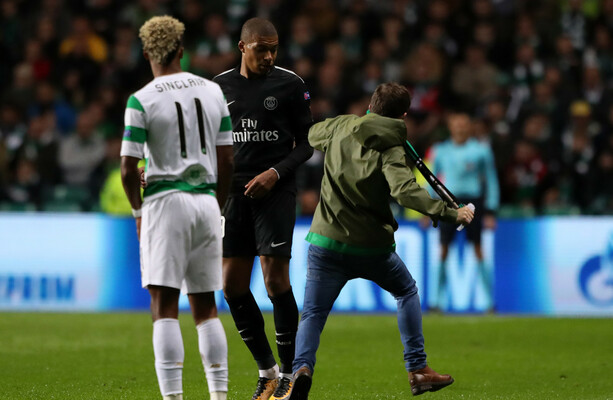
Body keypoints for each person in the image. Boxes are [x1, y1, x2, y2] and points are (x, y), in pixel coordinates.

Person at [279, 83, 474, 400]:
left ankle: (301, 369)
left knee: (313, 314)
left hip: (325, 241)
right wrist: (450, 213)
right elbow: (405, 191)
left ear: (370, 105)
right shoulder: (393, 147)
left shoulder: (341, 125)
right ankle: (418, 370)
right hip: (372, 247)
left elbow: (310, 135)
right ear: (404, 114)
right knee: (406, 290)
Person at [120, 16, 233, 400]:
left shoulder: (142, 99)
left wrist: (138, 213)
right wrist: (215, 205)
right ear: (181, 51)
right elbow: (228, 160)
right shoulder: (213, 91)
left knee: (164, 303)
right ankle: (219, 395)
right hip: (205, 200)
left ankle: (174, 398)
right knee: (206, 305)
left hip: (166, 202)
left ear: (148, 52)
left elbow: (126, 168)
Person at [212, 17, 314, 400]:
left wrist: (275, 172)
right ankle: (267, 372)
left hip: (275, 193)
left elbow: (307, 143)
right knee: (232, 286)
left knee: (275, 282)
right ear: (243, 47)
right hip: (233, 197)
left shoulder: (290, 85)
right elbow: (205, 143)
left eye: (274, 49)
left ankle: (288, 375)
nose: (270, 56)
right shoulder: (219, 88)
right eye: (262, 49)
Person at [429, 112, 499, 311]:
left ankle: (489, 302)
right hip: (448, 202)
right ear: (450, 127)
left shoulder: (481, 151)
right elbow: (433, 181)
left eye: (463, 125)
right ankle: (436, 302)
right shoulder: (440, 151)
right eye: (456, 124)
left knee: (478, 250)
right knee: (442, 250)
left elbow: (491, 180)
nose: (460, 128)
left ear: (470, 127)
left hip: (473, 202)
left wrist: (491, 210)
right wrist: (427, 207)